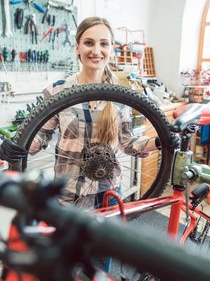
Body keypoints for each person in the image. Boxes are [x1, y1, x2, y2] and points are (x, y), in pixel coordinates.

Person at [28, 16, 159, 209]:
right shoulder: (57, 92)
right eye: (89, 43)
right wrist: (20, 145)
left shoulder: (122, 96)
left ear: (111, 49)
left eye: (104, 44)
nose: (96, 51)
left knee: (108, 240)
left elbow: (128, 143)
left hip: (109, 192)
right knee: (70, 240)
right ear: (77, 47)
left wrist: (159, 141)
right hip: (69, 194)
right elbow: (40, 135)